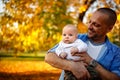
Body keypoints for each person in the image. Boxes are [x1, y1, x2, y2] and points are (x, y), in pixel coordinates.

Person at [45, 7, 120, 80]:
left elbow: (116, 78)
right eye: (89, 22)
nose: (89, 27)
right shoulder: (76, 38)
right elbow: (49, 57)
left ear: (109, 28)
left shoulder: (116, 52)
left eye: (96, 25)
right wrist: (72, 66)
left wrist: (92, 62)